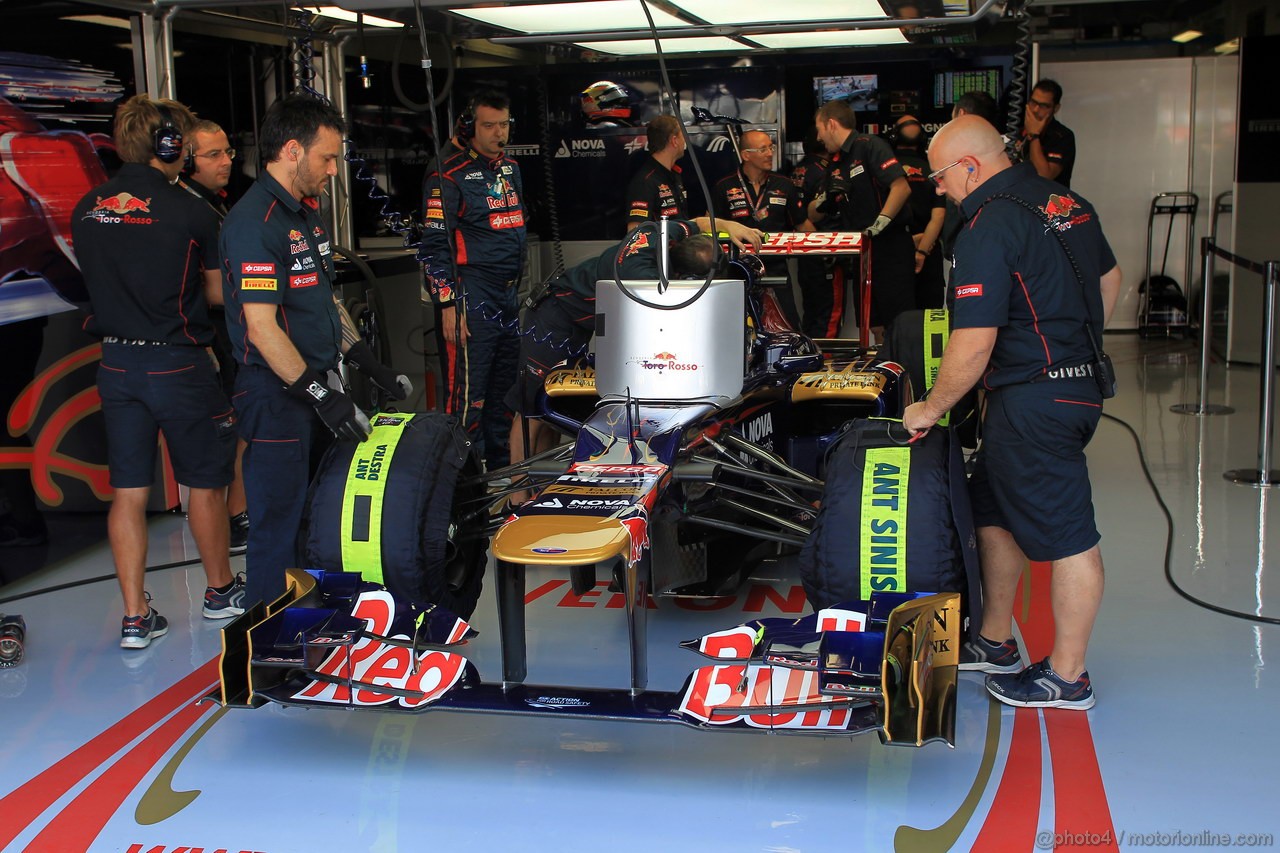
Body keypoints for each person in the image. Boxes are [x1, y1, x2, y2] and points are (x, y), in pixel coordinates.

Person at [902, 115, 1122, 710]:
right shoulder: (1064, 200)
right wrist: (1073, 345)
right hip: (1069, 386)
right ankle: (996, 639)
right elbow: (1109, 278)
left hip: (1035, 400)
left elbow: (973, 341)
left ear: (969, 167)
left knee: (1069, 534)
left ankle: (1068, 677)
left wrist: (931, 406)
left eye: (939, 178)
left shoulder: (987, 227)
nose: (938, 189)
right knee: (992, 505)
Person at [222, 94, 410, 610]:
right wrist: (318, 395)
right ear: (291, 151)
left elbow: (325, 303)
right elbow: (261, 329)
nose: (333, 169)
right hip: (276, 396)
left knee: (322, 512)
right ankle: (268, 652)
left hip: (317, 386)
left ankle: (314, 625)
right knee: (278, 524)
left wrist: (366, 361)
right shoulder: (253, 224)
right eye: (327, 158)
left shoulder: (305, 216)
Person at [70, 95, 241, 649]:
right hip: (178, 362)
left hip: (117, 364)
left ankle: (135, 617)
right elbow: (215, 294)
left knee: (128, 492)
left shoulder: (87, 207)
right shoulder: (192, 210)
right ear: (170, 146)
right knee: (206, 486)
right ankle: (219, 592)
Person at [506, 216, 765, 502]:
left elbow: (700, 221)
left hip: (580, 323)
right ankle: (516, 498)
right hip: (552, 318)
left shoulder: (663, 233)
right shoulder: (642, 278)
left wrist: (731, 226)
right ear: (680, 274)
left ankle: (542, 492)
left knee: (550, 411)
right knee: (530, 410)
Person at [421, 90, 526, 471]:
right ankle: (462, 484)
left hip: (509, 294)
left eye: (504, 124)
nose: (499, 133)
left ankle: (501, 478)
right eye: (489, 126)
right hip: (471, 297)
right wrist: (448, 303)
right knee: (467, 399)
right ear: (468, 128)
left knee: (505, 396)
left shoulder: (510, 168)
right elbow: (432, 247)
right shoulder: (445, 174)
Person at [177, 119, 250, 549]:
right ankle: (234, 516)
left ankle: (238, 512)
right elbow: (212, 288)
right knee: (231, 430)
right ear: (187, 161)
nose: (226, 162)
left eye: (228, 152)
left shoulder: (212, 204)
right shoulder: (190, 209)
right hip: (207, 336)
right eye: (213, 155)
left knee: (242, 425)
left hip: (223, 333)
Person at [808, 100, 913, 341]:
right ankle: (880, 369)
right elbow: (813, 214)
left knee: (898, 320)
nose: (819, 137)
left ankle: (902, 371)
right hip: (861, 252)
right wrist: (826, 197)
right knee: (872, 321)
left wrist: (876, 227)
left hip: (890, 245)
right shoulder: (834, 162)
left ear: (831, 124)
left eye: (820, 128)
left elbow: (901, 187)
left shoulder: (870, 145)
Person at [711, 129, 803, 327]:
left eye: (771, 147)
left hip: (776, 268)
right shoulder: (723, 187)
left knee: (789, 324)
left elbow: (803, 225)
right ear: (746, 155)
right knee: (736, 324)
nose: (770, 153)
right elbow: (711, 229)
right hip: (738, 270)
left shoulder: (784, 185)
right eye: (763, 149)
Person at [888, 115, 946, 309]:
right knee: (931, 321)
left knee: (898, 321)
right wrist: (922, 251)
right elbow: (938, 216)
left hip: (894, 252)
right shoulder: (933, 170)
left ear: (894, 137)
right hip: (929, 252)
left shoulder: (884, 170)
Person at [940, 91, 1003, 262]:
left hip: (966, 255)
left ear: (961, 114)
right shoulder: (999, 155)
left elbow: (953, 234)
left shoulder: (959, 160)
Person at [788, 132, 837, 338]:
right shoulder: (825, 171)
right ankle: (827, 361)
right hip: (826, 246)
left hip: (804, 248)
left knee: (811, 309)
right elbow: (816, 212)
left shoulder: (798, 168)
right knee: (829, 312)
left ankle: (810, 353)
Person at [623, 114, 688, 231]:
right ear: (674, 141)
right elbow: (635, 234)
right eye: (683, 136)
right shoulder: (645, 182)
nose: (685, 141)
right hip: (662, 249)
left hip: (680, 247)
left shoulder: (674, 174)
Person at [1017, 79, 1075, 188]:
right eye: (1033, 102)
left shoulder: (1063, 136)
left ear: (1055, 108)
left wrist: (1034, 136)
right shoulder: (1019, 132)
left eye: (1043, 106)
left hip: (1050, 201)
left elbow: (1043, 175)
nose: (1035, 109)